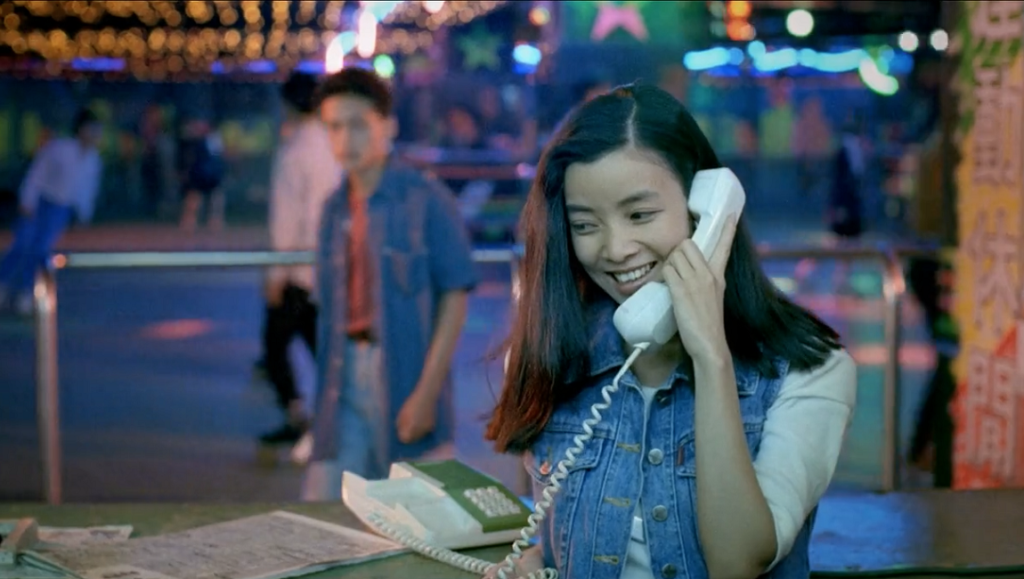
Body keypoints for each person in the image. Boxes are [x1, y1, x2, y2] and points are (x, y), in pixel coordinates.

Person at [484, 84, 856, 578]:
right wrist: (532, 562)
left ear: (705, 212)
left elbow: (737, 562)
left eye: (640, 215)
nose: (615, 249)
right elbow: (555, 541)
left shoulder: (812, 371)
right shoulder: (552, 353)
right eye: (586, 225)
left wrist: (711, 358)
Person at [301, 68, 478, 500]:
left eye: (358, 124)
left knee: (416, 518)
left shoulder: (425, 198)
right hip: (342, 374)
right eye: (334, 127)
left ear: (388, 124)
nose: (345, 140)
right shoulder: (332, 208)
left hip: (403, 369)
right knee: (327, 509)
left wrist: (427, 393)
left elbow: (455, 296)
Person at [258, 71, 344, 448]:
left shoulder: (294, 150)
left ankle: (298, 415)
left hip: (298, 267)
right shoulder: (335, 145)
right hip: (328, 262)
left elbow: (286, 216)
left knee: (275, 345)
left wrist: (277, 271)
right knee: (316, 342)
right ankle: (328, 414)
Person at [0, 109, 102, 316]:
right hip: (40, 202)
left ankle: (27, 294)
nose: (95, 134)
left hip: (60, 209)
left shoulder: (93, 160)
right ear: (81, 129)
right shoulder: (60, 149)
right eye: (92, 129)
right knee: (21, 245)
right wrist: (27, 199)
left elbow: (87, 190)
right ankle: (3, 284)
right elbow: (38, 172)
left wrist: (83, 215)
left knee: (41, 250)